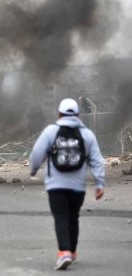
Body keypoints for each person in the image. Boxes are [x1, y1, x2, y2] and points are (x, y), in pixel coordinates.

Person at [29, 98, 105, 270]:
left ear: (59, 114)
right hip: (78, 186)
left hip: (55, 185)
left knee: (61, 217)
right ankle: (72, 250)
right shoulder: (87, 134)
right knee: (73, 217)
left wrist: (33, 169)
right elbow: (96, 160)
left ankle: (64, 252)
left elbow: (37, 153)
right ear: (77, 114)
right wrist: (99, 183)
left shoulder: (51, 131)